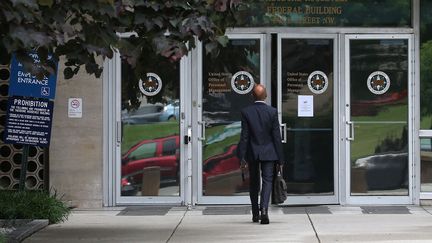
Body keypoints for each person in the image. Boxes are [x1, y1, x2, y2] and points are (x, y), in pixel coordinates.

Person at [237, 84, 284, 224]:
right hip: (269, 153)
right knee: (267, 181)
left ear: (252, 96)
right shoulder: (272, 112)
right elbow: (277, 137)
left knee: (254, 183)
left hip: (253, 152)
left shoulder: (246, 112)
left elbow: (244, 137)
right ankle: (264, 210)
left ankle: (255, 213)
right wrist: (281, 159)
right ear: (266, 96)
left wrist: (242, 157)